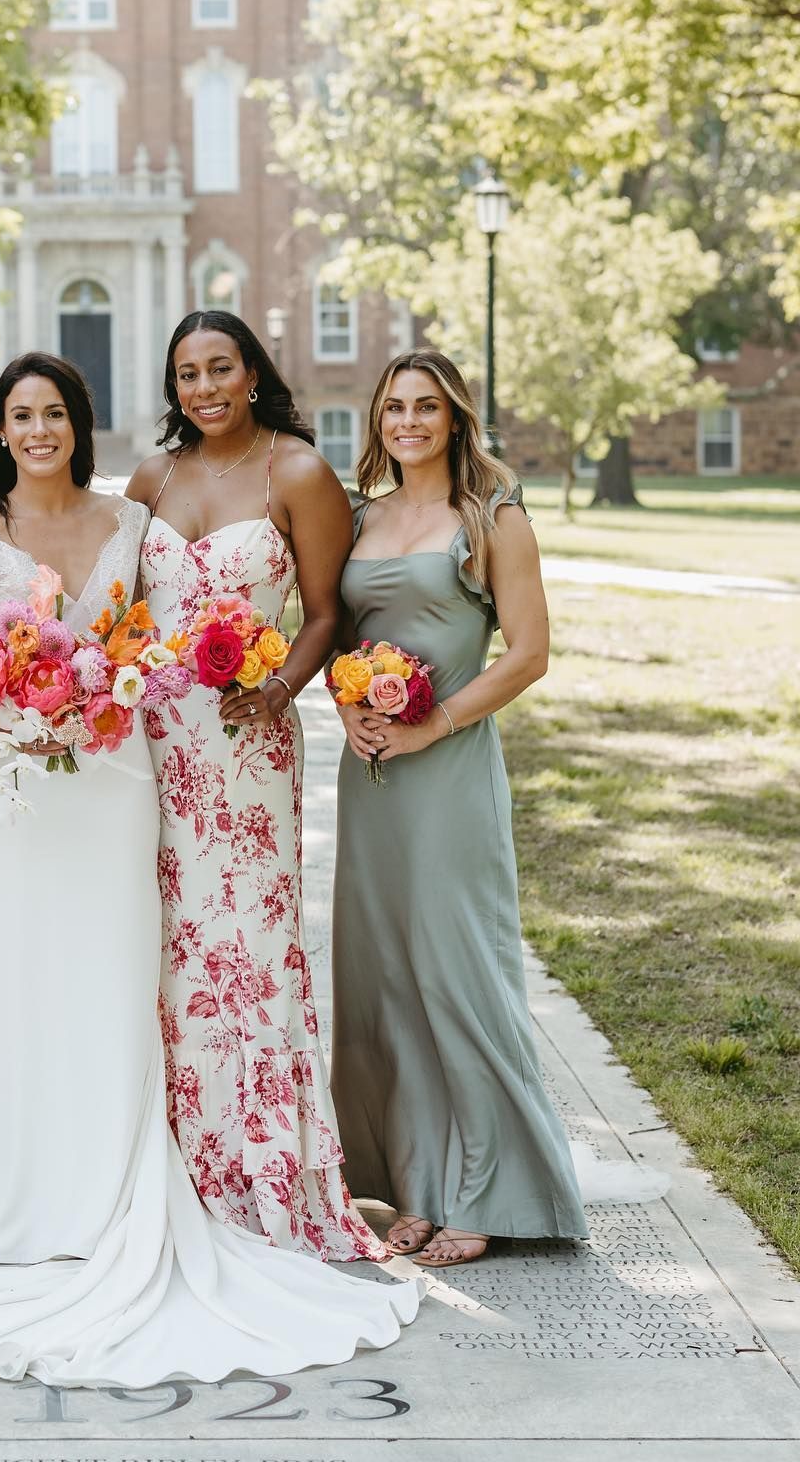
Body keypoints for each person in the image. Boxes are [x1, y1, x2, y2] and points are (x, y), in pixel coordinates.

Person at [0, 352, 420, 1387]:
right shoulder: (23, 525)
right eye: (20, 414)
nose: (39, 429)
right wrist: (16, 709)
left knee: (134, 969)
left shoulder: (135, 515)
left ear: (82, 424)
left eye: (56, 412)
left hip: (133, 772)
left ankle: (172, 1168)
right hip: (33, 787)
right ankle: (19, 1177)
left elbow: (271, 617)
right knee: (39, 966)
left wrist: (268, 690)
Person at [129, 310, 384, 1261]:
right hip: (155, 744)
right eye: (186, 373)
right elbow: (120, 607)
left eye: (219, 368)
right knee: (168, 944)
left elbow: (323, 613)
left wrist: (277, 690)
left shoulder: (298, 472)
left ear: (251, 373)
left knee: (247, 943)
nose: (203, 388)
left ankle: (267, 1166)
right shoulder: (151, 478)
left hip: (248, 746)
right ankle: (175, 1158)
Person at [330, 348, 586, 1267]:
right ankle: (417, 1187)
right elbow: (335, 635)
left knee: (456, 973)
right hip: (372, 780)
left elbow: (528, 654)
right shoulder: (360, 517)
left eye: (425, 407)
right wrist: (348, 701)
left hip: (447, 770)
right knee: (387, 980)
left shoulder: (491, 516)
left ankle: (490, 1190)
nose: (408, 421)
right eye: (393, 406)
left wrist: (429, 725)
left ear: (455, 417)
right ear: (378, 420)